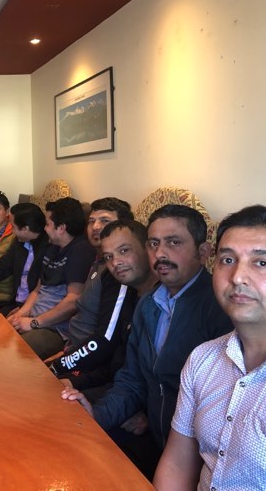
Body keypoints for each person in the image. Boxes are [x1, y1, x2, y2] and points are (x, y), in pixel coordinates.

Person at [62, 204, 233, 479]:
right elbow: (133, 380)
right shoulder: (149, 304)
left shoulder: (220, 309)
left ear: (203, 252)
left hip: (200, 462)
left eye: (173, 242)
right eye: (154, 243)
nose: (160, 253)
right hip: (155, 441)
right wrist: (96, 415)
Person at [154, 205, 266, 490]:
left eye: (261, 263)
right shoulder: (203, 358)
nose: (237, 277)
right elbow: (177, 464)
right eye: (227, 260)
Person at [48, 219, 157, 402]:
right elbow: (116, 364)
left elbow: (105, 345)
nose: (116, 262)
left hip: (133, 401)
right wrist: (74, 381)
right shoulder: (129, 291)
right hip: (112, 386)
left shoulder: (160, 302)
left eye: (124, 250)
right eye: (108, 257)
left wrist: (60, 368)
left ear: (148, 248)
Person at [8, 197, 96, 359]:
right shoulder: (53, 247)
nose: (44, 228)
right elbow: (37, 289)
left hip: (55, 329)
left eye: (48, 224)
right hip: (35, 319)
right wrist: (21, 314)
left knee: (14, 352)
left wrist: (34, 323)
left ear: (61, 228)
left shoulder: (81, 251)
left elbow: (73, 300)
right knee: (0, 337)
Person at [68, 197, 135, 345]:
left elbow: (105, 338)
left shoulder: (117, 269)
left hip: (87, 351)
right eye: (91, 221)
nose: (95, 227)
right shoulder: (98, 259)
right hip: (72, 342)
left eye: (104, 221)